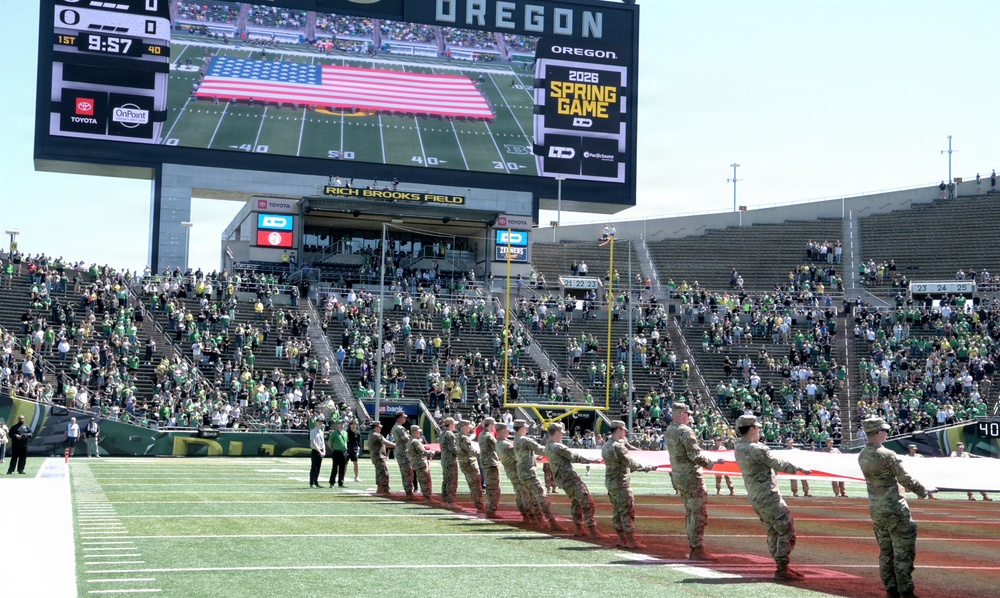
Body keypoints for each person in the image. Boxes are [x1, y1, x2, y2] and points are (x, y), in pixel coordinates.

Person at [858, 417, 935, 598]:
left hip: (877, 509)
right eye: (885, 431)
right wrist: (924, 491)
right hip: (895, 508)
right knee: (903, 552)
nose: (887, 433)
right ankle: (906, 592)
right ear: (878, 433)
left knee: (886, 552)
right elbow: (905, 478)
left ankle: (891, 590)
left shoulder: (862, 454)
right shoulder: (887, 454)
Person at [734, 415, 812, 582]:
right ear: (752, 429)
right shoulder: (756, 449)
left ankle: (781, 565)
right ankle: (782, 567)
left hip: (756, 496)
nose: (759, 431)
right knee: (786, 528)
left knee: (773, 530)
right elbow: (776, 462)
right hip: (769, 496)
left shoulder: (739, 447)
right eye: (758, 428)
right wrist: (799, 468)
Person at [664, 403, 724, 560]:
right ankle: (697, 548)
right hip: (691, 477)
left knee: (690, 512)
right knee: (698, 513)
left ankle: (694, 545)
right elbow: (695, 456)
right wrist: (713, 462)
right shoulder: (685, 431)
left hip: (679, 476)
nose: (689, 417)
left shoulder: (669, 430)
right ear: (681, 413)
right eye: (687, 413)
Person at [602, 420, 655, 548]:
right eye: (624, 430)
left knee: (617, 511)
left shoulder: (606, 445)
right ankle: (631, 540)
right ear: (618, 430)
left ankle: (621, 539)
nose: (625, 432)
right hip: (621, 483)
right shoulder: (618, 446)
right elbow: (631, 463)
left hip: (611, 482)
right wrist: (647, 467)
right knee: (627, 511)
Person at [546, 422, 603, 538]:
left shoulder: (548, 446)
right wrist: (591, 460)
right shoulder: (558, 446)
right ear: (556, 432)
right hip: (570, 478)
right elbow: (574, 457)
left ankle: (579, 528)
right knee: (587, 502)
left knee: (576, 502)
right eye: (561, 433)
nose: (562, 435)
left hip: (562, 480)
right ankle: (592, 529)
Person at [513, 419, 563, 530]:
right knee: (542, 496)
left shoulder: (516, 439)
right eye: (525, 427)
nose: (527, 429)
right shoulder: (525, 440)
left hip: (522, 471)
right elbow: (541, 450)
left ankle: (539, 520)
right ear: (521, 428)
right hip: (529, 472)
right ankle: (552, 522)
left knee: (533, 497)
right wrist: (555, 446)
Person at [497, 425, 539, 523]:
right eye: (507, 430)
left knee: (519, 494)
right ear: (502, 431)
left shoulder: (499, 443)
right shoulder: (506, 445)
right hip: (516, 471)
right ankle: (530, 516)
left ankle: (525, 516)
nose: (509, 432)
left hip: (511, 472)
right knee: (525, 495)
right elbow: (517, 456)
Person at [457, 419, 486, 511]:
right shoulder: (464, 438)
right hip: (469, 464)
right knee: (476, 486)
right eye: (468, 426)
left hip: (465, 463)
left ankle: (478, 505)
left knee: (473, 485)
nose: (470, 428)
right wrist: (481, 453)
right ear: (464, 427)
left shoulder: (459, 436)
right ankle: (480, 506)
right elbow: (471, 451)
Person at [478, 417, 502, 517]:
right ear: (491, 424)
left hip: (485, 462)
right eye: (494, 424)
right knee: (494, 488)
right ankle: (491, 510)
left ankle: (489, 508)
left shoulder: (481, 434)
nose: (494, 427)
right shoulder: (489, 436)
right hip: (491, 463)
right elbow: (498, 447)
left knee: (490, 487)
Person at [407, 425, 435, 503]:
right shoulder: (415, 441)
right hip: (420, 463)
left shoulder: (410, 440)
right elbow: (422, 452)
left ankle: (427, 497)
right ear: (414, 432)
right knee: (425, 481)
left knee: (423, 481)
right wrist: (432, 453)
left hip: (416, 463)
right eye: (418, 432)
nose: (420, 433)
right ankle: (428, 498)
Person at [391, 411, 415, 498]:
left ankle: (409, 491)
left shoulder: (395, 427)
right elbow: (406, 440)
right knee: (408, 472)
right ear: (399, 418)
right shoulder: (399, 428)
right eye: (404, 417)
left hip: (400, 451)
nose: (405, 419)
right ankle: (409, 493)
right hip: (403, 452)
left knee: (405, 472)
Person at [367, 422, 394, 495]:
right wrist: (396, 445)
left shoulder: (371, 434)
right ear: (376, 427)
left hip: (375, 456)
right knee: (384, 473)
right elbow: (386, 443)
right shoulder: (376, 435)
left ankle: (379, 488)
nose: (381, 429)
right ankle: (385, 490)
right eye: (379, 427)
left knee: (379, 472)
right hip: (379, 456)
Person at [439, 417, 460, 508]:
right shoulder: (450, 434)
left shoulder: (443, 433)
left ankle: (444, 501)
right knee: (452, 481)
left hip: (445, 459)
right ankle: (451, 502)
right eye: (454, 424)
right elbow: (453, 449)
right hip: (450, 460)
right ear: (450, 424)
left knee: (446, 481)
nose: (455, 425)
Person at [327, 420, 348, 488]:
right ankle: (332, 482)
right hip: (336, 451)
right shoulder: (334, 433)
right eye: (340, 423)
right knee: (335, 467)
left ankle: (341, 482)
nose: (342, 425)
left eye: (343, 423)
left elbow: (346, 442)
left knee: (342, 468)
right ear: (337, 425)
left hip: (344, 451)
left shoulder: (345, 433)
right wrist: (333, 449)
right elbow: (329, 443)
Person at [309, 418, 326, 488]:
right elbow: (313, 443)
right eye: (319, 422)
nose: (320, 423)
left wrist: (324, 451)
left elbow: (323, 442)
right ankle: (312, 482)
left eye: (321, 422)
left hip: (320, 451)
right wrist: (320, 451)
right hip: (315, 451)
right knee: (314, 467)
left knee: (318, 468)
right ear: (316, 422)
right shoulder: (313, 431)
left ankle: (316, 482)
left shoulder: (321, 432)